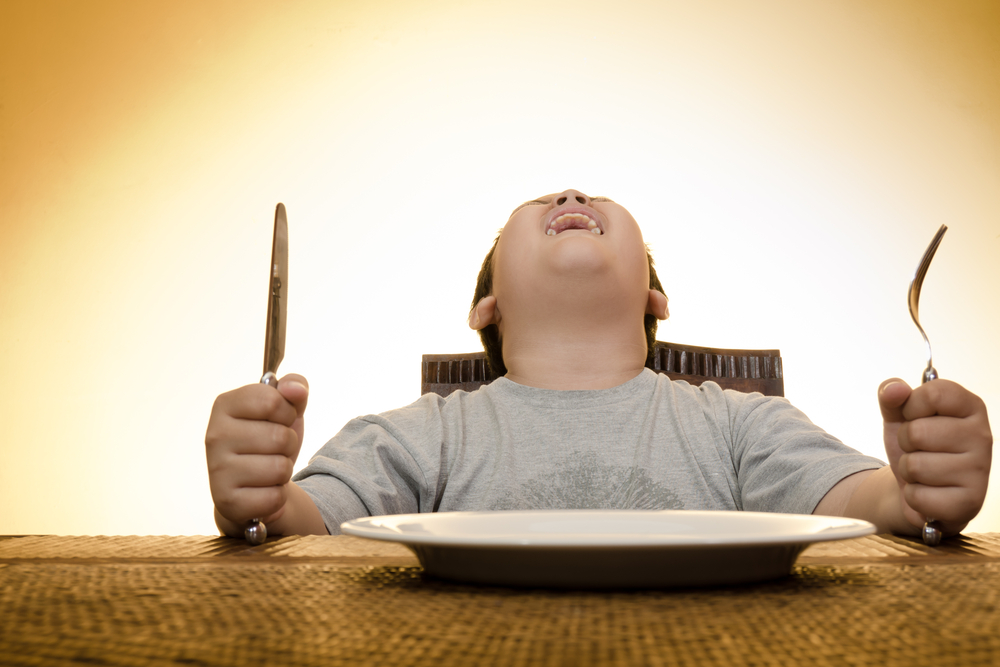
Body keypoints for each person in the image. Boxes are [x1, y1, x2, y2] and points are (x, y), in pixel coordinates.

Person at [205, 189, 993, 539]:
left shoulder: (736, 423)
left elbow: (864, 501)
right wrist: (262, 497)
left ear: (654, 296)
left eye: (596, 199)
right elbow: (305, 522)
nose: (573, 191)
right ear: (486, 308)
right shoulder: (421, 434)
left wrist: (917, 488)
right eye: (538, 202)